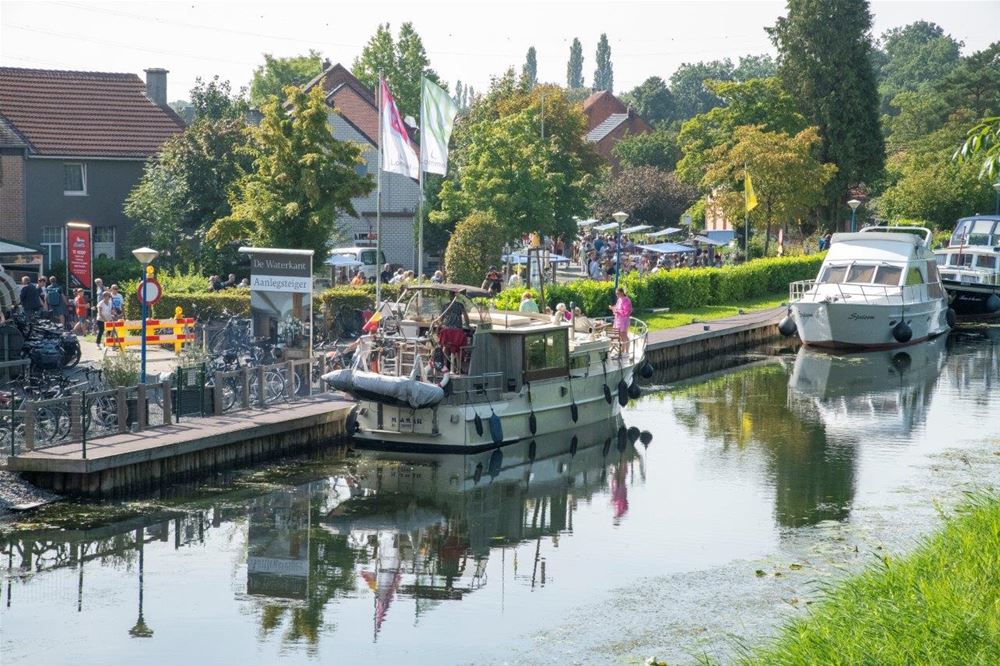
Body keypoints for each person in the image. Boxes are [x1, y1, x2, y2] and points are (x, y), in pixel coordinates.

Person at [609, 287, 633, 355]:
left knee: (624, 336)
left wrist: (616, 310)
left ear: (622, 293)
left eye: (618, 293)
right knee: (620, 336)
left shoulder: (626, 300)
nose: (617, 295)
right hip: (618, 320)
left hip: (623, 320)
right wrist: (613, 308)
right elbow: (617, 308)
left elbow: (626, 312)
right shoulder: (619, 300)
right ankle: (622, 351)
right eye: (616, 293)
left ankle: (627, 352)